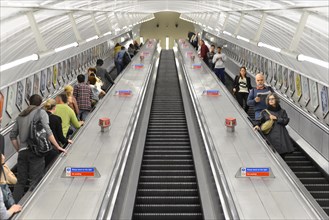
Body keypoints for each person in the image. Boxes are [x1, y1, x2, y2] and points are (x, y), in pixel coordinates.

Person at [10, 94, 66, 202]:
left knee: (21, 182)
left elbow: (12, 136)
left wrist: (19, 149)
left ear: (29, 102)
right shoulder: (41, 113)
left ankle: (14, 206)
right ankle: (31, 207)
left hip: (22, 152)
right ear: (40, 103)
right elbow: (48, 131)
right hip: (36, 152)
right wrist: (58, 146)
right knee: (35, 181)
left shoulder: (20, 116)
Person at [44, 99, 73, 167]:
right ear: (54, 107)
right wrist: (67, 140)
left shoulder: (41, 118)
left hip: (41, 146)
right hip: (52, 146)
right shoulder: (56, 118)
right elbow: (60, 136)